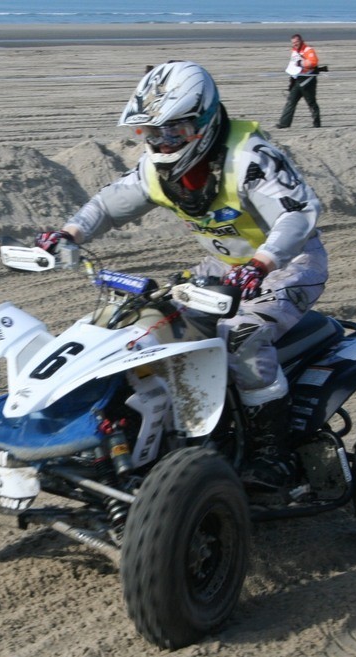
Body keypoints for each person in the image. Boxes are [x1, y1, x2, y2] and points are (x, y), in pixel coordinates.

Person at [34, 60, 328, 491]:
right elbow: (108, 204)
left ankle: (273, 456)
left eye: (177, 130)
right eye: (153, 133)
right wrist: (68, 234)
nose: (165, 141)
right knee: (144, 323)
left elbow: (299, 215)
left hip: (288, 264)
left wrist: (261, 264)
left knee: (242, 336)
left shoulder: (250, 158)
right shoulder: (155, 169)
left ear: (205, 120)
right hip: (220, 267)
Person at [277, 34, 321, 129]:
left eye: (296, 42)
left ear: (301, 41)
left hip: (308, 80)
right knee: (291, 101)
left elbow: (313, 62)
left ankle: (317, 123)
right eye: (293, 43)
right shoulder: (294, 50)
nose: (295, 44)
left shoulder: (308, 50)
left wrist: (301, 63)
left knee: (311, 102)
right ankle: (284, 123)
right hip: (297, 79)